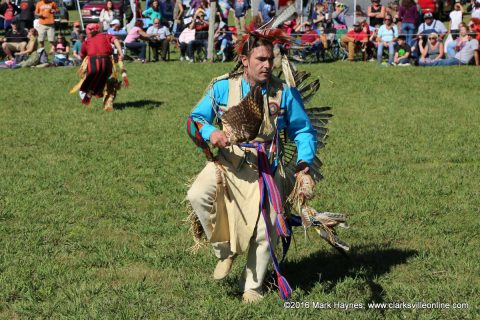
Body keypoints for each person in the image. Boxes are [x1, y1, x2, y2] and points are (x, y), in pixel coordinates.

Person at [186, 26, 317, 303]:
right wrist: (213, 133)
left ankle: (253, 287)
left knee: (265, 226)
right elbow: (196, 118)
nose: (267, 65)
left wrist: (304, 160)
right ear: (245, 60)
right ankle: (225, 249)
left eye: (271, 59)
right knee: (197, 195)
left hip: (265, 169)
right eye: (260, 59)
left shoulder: (283, 93)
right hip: (227, 164)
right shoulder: (223, 86)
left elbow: (303, 130)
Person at [71, 23, 126, 111]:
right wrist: (121, 53)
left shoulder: (86, 42)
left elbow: (82, 56)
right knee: (107, 80)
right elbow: (115, 40)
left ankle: (90, 93)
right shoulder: (106, 36)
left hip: (93, 63)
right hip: (107, 64)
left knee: (92, 80)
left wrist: (84, 63)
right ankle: (105, 98)